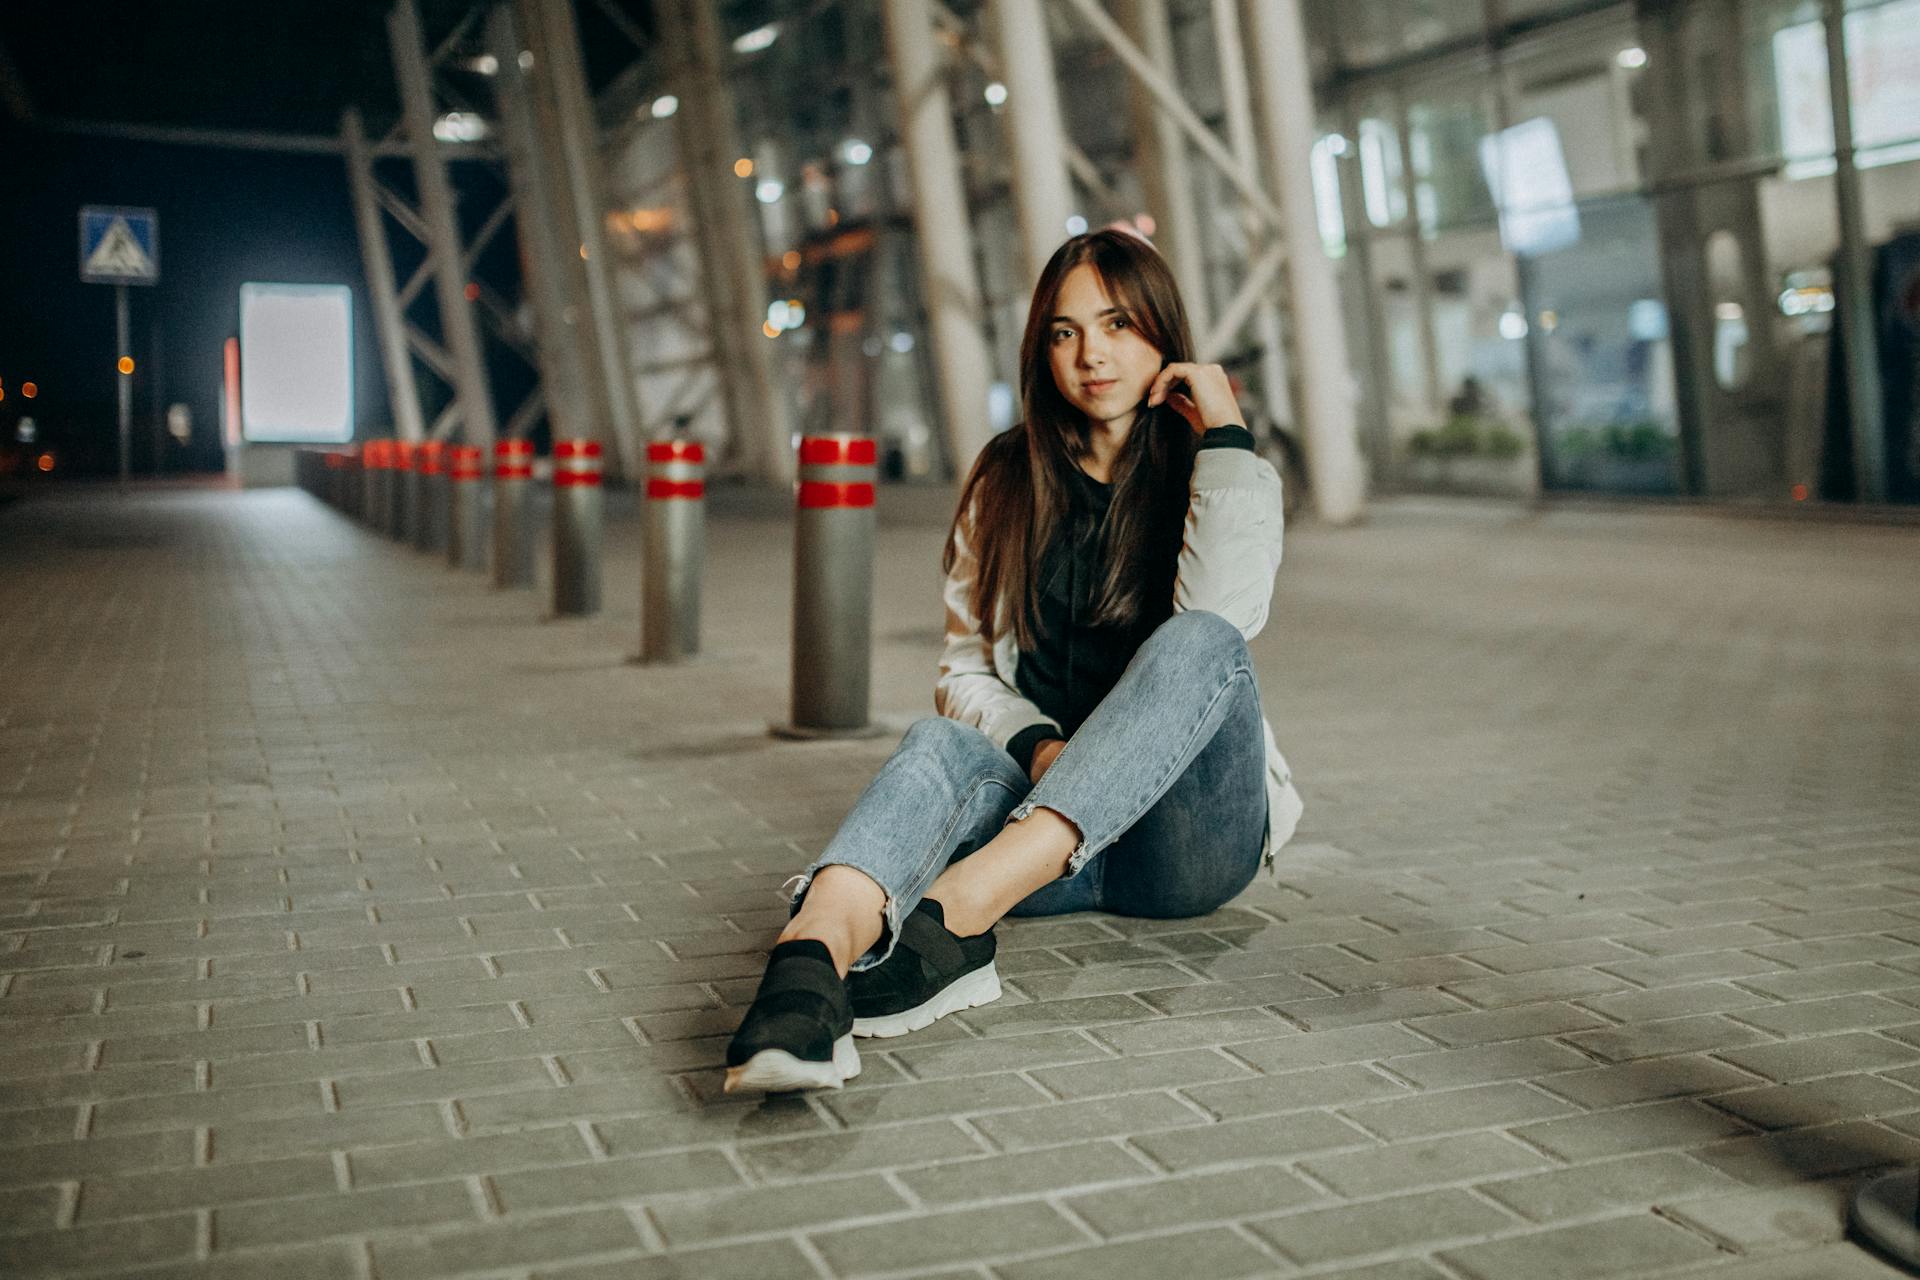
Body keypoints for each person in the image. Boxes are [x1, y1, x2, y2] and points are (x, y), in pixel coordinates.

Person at [724, 229, 1304, 1094]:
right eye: (1065, 332)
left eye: (1117, 324)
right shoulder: (1008, 477)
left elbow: (1221, 627)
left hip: (1179, 847)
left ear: (1163, 336)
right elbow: (966, 665)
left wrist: (1223, 431)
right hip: (1037, 833)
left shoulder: (1215, 469)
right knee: (937, 741)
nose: (1092, 353)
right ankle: (805, 969)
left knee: (1203, 639)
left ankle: (954, 919)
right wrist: (1036, 746)